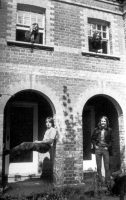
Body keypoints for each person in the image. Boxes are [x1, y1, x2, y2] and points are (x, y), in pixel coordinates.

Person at [91, 116, 113, 189]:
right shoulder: (96, 130)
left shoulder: (109, 130)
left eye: (104, 121)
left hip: (105, 149)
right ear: (100, 122)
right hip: (98, 149)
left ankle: (107, 183)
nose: (103, 122)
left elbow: (112, 140)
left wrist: (107, 147)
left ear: (106, 122)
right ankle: (101, 182)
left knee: (107, 166)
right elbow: (92, 139)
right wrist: (95, 146)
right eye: (102, 121)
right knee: (99, 167)